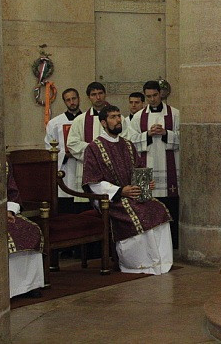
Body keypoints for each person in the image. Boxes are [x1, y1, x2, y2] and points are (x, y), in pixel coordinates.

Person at [83, 105, 173, 275]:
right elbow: (92, 182)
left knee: (158, 208)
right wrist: (120, 191)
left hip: (132, 194)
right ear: (103, 123)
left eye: (119, 116)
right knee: (139, 212)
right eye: (113, 117)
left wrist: (145, 184)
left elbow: (139, 170)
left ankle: (160, 260)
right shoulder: (93, 148)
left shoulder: (128, 145)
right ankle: (138, 263)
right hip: (109, 199)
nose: (118, 120)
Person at [129, 80, 180, 248]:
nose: (152, 99)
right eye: (148, 96)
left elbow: (185, 136)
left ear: (161, 94)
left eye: (155, 95)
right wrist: (147, 135)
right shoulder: (138, 117)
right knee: (148, 205)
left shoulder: (175, 114)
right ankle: (150, 244)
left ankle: (173, 243)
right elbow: (130, 140)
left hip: (170, 167)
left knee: (171, 205)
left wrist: (166, 133)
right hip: (147, 165)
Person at [7, 163, 45, 298]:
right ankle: (10, 289)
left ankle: (30, 285)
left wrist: (10, 210)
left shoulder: (3, 163)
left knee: (31, 229)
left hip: (6, 212)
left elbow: (12, 192)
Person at [44, 88, 83, 213]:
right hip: (65, 170)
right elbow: (49, 148)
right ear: (65, 102)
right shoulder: (55, 123)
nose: (72, 102)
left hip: (83, 166)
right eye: (68, 100)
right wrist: (64, 155)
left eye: (74, 98)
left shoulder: (88, 120)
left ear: (79, 99)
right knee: (67, 209)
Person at [66, 82, 108, 162]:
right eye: (93, 94)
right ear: (89, 97)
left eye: (100, 93)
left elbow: (124, 141)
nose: (98, 97)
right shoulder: (80, 120)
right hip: (88, 164)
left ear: (105, 95)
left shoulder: (118, 118)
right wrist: (94, 149)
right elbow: (72, 143)